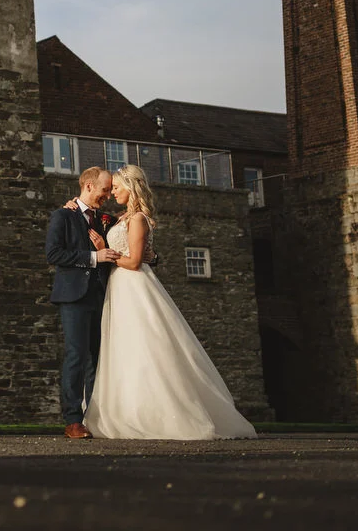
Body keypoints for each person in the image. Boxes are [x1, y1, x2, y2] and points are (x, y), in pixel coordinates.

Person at [81, 164, 257, 440]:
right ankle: (127, 409)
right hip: (120, 287)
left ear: (131, 187)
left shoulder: (137, 218)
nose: (113, 192)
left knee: (147, 345)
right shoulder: (120, 218)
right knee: (125, 348)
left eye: (117, 187)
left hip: (133, 284)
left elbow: (135, 261)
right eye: (112, 188)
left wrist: (104, 251)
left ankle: (161, 413)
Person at [44, 166, 121, 439]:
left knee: (97, 360)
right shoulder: (62, 216)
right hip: (74, 296)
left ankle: (96, 419)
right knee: (76, 356)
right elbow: (54, 253)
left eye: (111, 190)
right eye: (105, 189)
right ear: (88, 186)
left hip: (102, 296)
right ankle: (73, 420)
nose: (108, 195)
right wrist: (93, 258)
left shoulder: (106, 219)